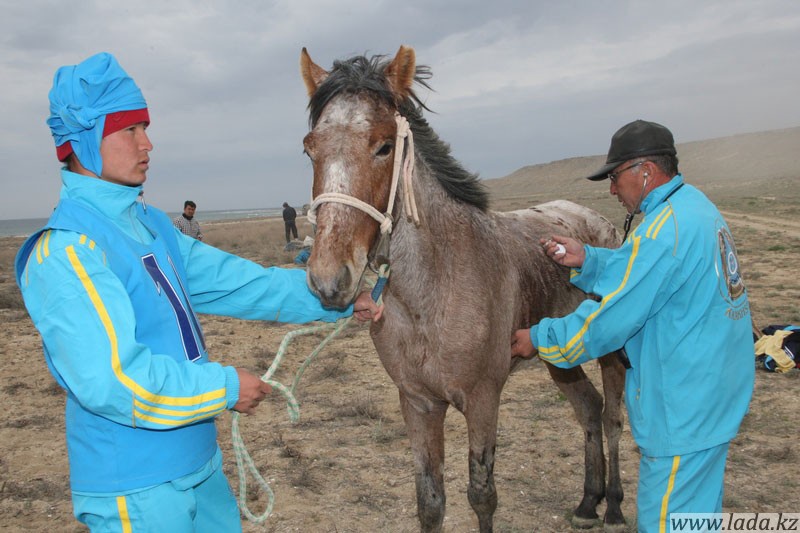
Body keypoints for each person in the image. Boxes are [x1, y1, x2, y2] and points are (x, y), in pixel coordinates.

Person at [15, 52, 382, 533]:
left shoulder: (151, 226)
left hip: (199, 465)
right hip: (135, 488)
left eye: (145, 126)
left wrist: (331, 295)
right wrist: (225, 387)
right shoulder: (66, 252)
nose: (148, 143)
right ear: (83, 141)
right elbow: (114, 382)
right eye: (130, 130)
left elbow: (240, 282)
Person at [510, 120, 754, 532]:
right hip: (713, 396)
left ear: (644, 171)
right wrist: (587, 259)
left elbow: (607, 325)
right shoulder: (694, 208)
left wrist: (538, 337)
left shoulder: (664, 231)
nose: (611, 189)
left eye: (615, 176)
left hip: (682, 411)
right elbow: (644, 272)